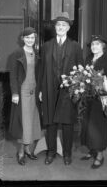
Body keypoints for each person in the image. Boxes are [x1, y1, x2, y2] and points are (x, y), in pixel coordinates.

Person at [38, 12, 83, 165]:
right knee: (50, 123)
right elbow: (41, 69)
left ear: (68, 28)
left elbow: (80, 70)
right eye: (58, 25)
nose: (61, 27)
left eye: (64, 25)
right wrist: (41, 90)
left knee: (68, 124)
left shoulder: (76, 46)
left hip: (68, 92)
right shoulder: (46, 46)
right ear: (55, 27)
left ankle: (67, 154)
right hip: (49, 89)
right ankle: (51, 152)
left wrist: (77, 89)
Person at [80, 35, 107, 169]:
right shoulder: (88, 58)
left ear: (103, 46)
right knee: (88, 126)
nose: (94, 47)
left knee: (98, 128)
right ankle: (92, 149)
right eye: (92, 44)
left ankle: (99, 155)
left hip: (101, 99)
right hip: (88, 98)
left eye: (97, 44)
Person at [9, 27, 42, 165]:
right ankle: (21, 152)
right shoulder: (16, 53)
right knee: (23, 123)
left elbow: (39, 74)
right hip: (22, 92)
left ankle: (28, 150)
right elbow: (13, 76)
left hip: (34, 92)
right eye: (27, 37)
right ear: (23, 38)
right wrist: (15, 93)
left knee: (33, 122)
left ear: (35, 39)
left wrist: (40, 91)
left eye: (32, 37)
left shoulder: (36, 54)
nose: (30, 40)